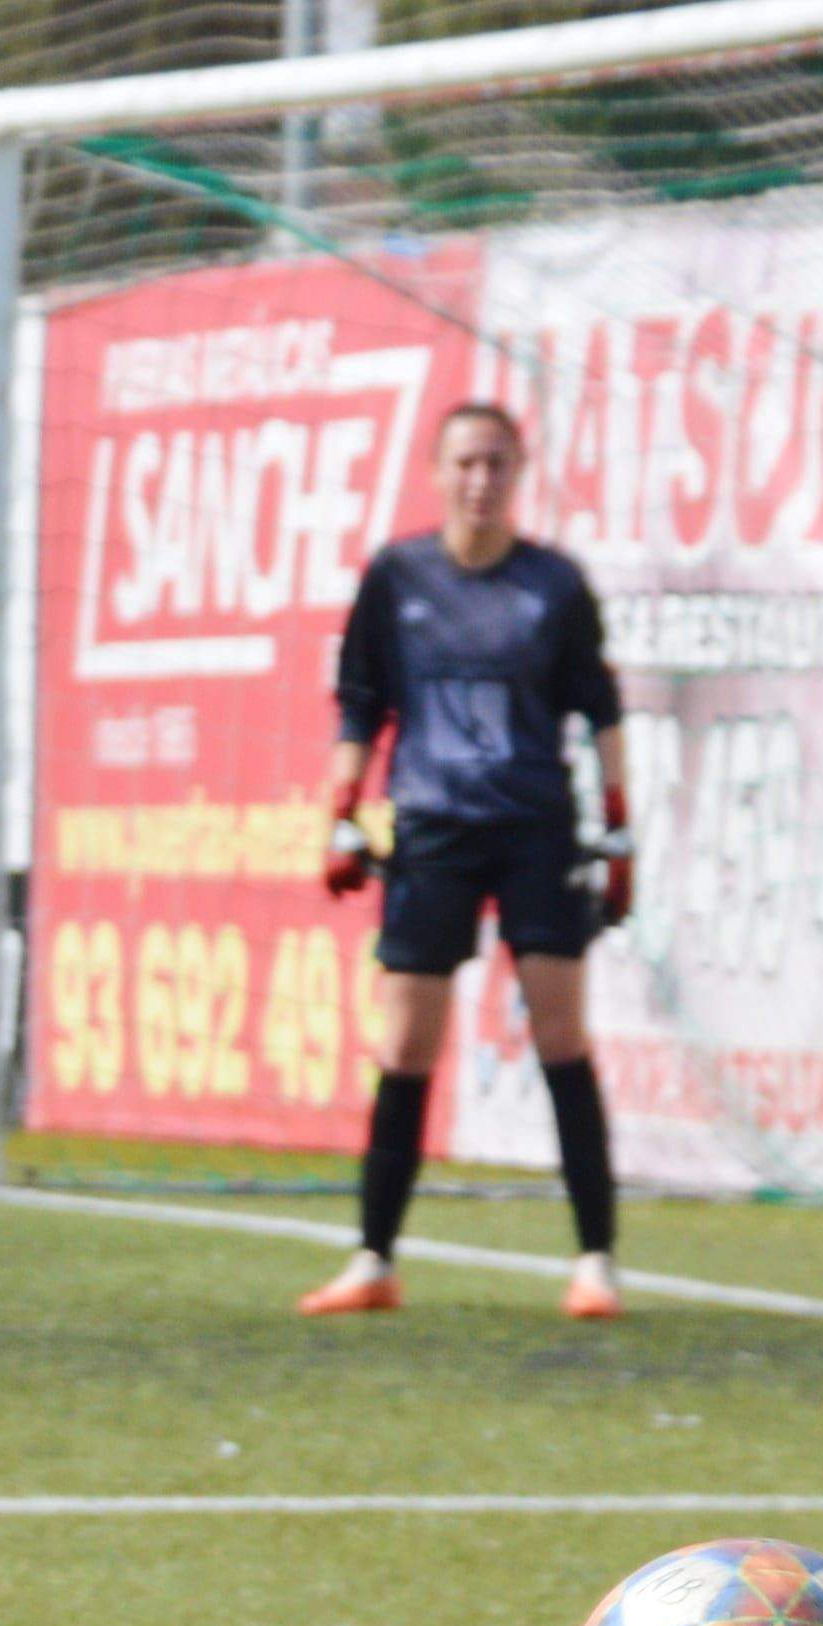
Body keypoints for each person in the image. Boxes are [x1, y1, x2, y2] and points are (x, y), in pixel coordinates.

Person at [305, 399, 635, 1321]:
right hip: (433, 831)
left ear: (520, 471)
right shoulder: (397, 577)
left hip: (534, 829)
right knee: (406, 1043)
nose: (480, 480)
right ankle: (373, 1260)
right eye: (465, 464)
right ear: (437, 472)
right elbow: (360, 706)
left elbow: (601, 713)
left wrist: (616, 827)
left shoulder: (555, 587)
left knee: (561, 1035)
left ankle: (596, 1262)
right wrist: (340, 812)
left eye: (496, 463)